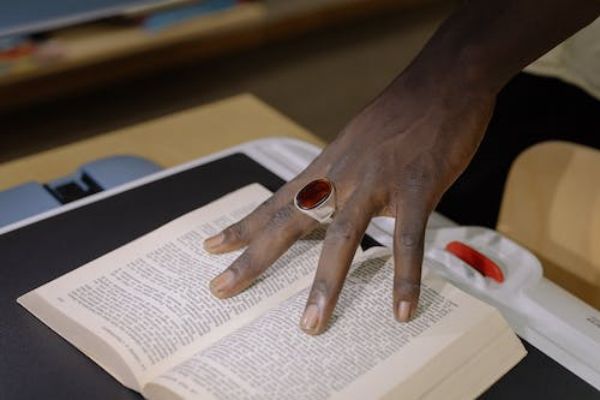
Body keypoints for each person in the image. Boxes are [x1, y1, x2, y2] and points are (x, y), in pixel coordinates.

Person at [203, 0, 600, 335]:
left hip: (519, 56)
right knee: (424, 220)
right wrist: (452, 72)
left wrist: (451, 76)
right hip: (528, 49)